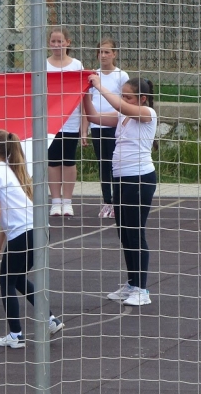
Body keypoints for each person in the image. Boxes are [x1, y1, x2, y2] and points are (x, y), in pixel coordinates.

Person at [0, 129, 65, 348]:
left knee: (6, 281)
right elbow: (10, 216)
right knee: (17, 279)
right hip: (40, 232)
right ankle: (50, 320)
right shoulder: (11, 171)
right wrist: (0, 246)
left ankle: (16, 335)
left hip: (25, 234)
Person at [83, 77, 157, 307]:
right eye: (123, 95)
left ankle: (143, 290)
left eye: (129, 96)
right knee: (124, 233)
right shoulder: (123, 116)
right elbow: (95, 117)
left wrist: (99, 86)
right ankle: (132, 284)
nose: (124, 100)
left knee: (135, 233)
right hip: (121, 180)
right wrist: (84, 94)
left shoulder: (147, 113)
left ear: (142, 99)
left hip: (140, 180)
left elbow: (117, 105)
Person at [46, 27, 87, 217]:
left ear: (67, 43)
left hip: (71, 120)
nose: (56, 45)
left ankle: (67, 201)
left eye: (60, 41)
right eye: (53, 41)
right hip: (50, 121)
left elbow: (83, 97)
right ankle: (55, 201)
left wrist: (84, 127)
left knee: (68, 160)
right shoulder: (43, 65)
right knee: (53, 161)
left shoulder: (76, 65)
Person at [89, 38, 129, 219]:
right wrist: (85, 129)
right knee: (103, 164)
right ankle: (107, 201)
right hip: (97, 126)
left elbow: (126, 102)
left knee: (116, 163)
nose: (103, 55)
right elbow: (87, 103)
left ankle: (118, 201)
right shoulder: (93, 75)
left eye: (107, 52)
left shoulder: (121, 76)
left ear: (114, 54)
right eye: (100, 52)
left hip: (114, 126)